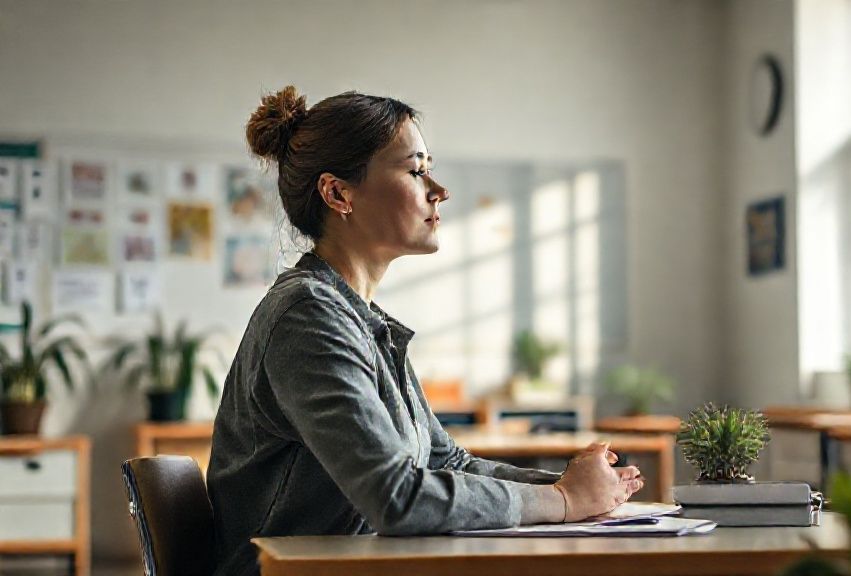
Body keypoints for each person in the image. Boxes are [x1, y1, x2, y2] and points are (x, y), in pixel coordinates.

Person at [207, 86, 644, 576]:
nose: (439, 190)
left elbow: (446, 462)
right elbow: (397, 497)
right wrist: (564, 499)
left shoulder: (361, 320)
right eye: (416, 171)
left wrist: (573, 488)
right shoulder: (307, 317)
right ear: (338, 193)